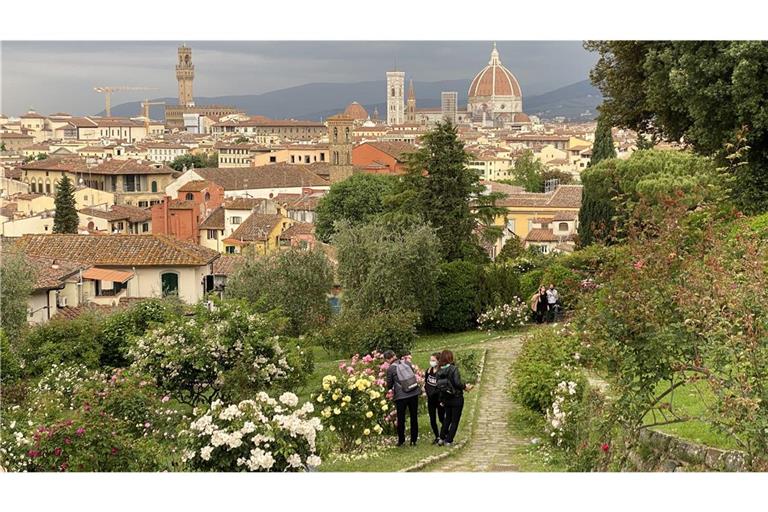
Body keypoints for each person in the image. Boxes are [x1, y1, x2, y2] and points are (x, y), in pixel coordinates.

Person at [384, 349, 421, 446]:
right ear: (394, 355)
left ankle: (401, 440)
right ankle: (413, 440)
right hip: (413, 392)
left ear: (387, 360)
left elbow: (389, 384)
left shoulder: (390, 369)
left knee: (401, 418)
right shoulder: (407, 363)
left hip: (401, 396)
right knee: (414, 417)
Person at [436, 350, 472, 446]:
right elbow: (457, 383)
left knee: (447, 418)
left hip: (446, 398)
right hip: (456, 397)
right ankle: (449, 440)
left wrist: (441, 399)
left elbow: (439, 387)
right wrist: (465, 387)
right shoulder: (453, 369)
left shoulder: (439, 370)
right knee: (455, 420)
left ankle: (441, 438)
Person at [424, 352, 445, 444]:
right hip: (431, 399)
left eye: (433, 360)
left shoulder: (441, 372)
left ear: (438, 361)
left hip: (439, 399)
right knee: (432, 419)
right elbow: (426, 383)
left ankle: (444, 435)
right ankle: (437, 436)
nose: (431, 362)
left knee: (441, 418)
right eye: (430, 360)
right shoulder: (428, 371)